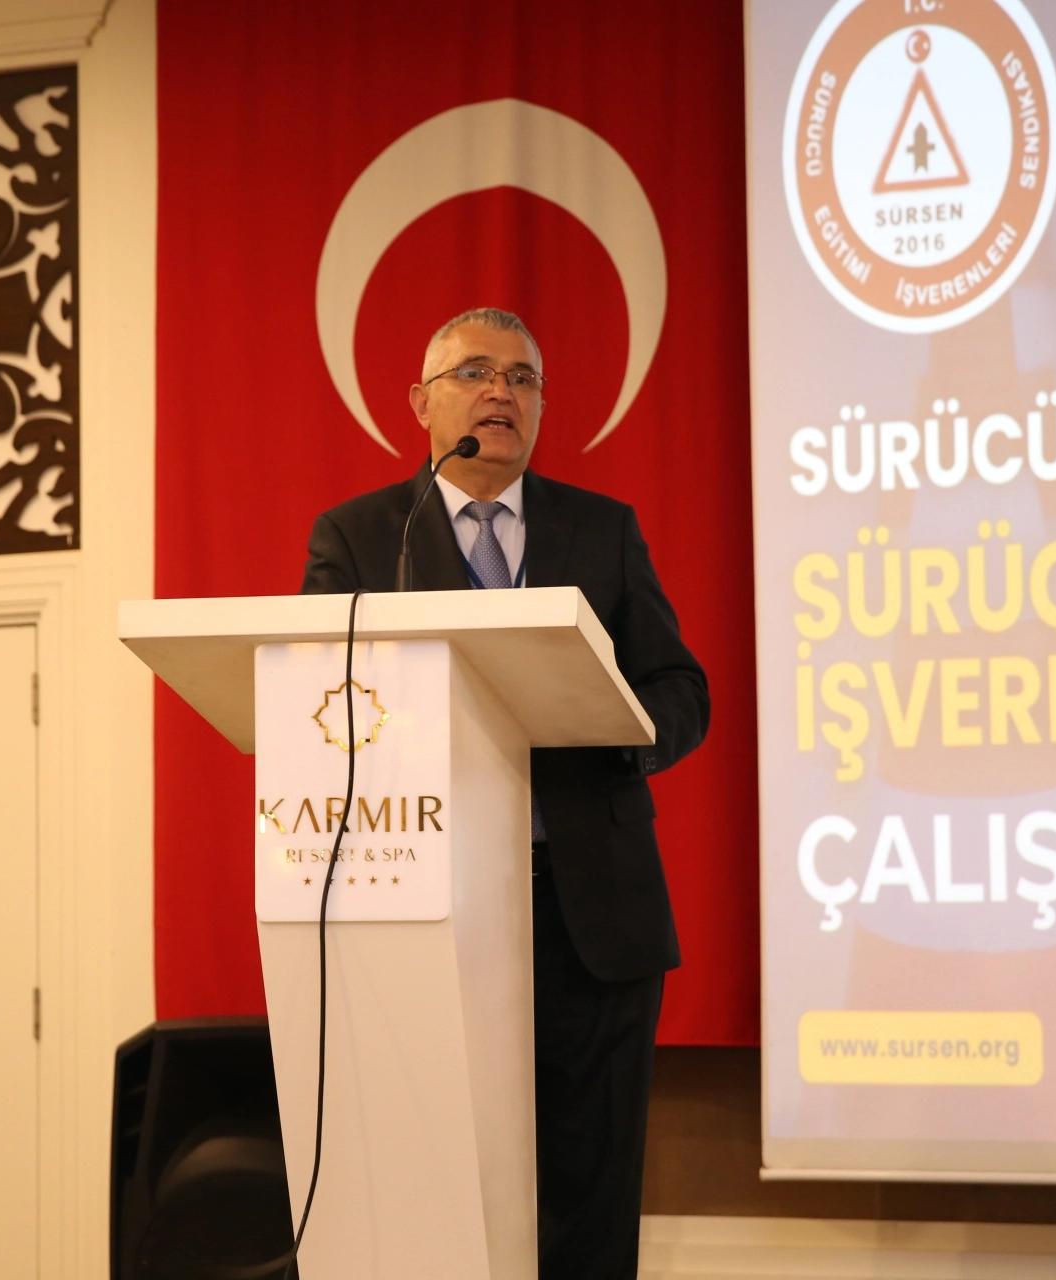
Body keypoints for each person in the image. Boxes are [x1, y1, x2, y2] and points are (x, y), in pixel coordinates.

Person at [301, 306, 709, 1277]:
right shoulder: (360, 536)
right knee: (438, 1191)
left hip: (588, 911)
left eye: (523, 378)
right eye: (476, 373)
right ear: (420, 404)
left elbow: (680, 689)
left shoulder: (602, 529)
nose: (502, 392)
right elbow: (316, 696)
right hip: (426, 906)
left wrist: (617, 729)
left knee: (589, 1199)